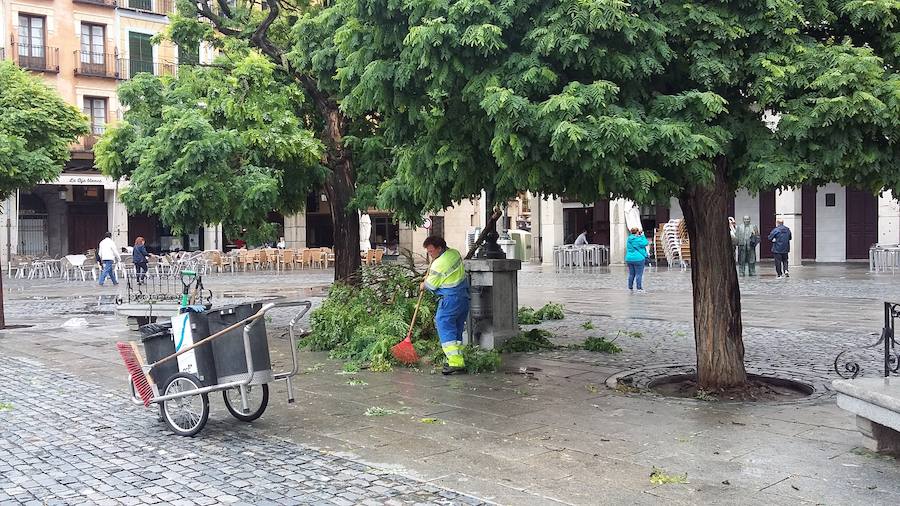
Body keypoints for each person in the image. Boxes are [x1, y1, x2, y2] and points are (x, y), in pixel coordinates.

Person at [421, 236, 469, 375]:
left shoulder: (439, 263)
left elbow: (431, 285)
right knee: (456, 329)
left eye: (431, 252)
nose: (430, 254)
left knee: (445, 326)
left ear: (439, 248)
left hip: (450, 300)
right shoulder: (454, 253)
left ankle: (455, 363)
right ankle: (458, 357)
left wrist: (423, 284)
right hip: (463, 298)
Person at [625, 228, 648, 292]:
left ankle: (630, 287)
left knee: (631, 274)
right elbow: (645, 243)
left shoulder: (629, 238)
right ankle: (639, 288)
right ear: (637, 232)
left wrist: (639, 236)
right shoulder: (638, 239)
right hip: (639, 258)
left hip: (629, 258)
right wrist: (642, 236)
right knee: (639, 274)